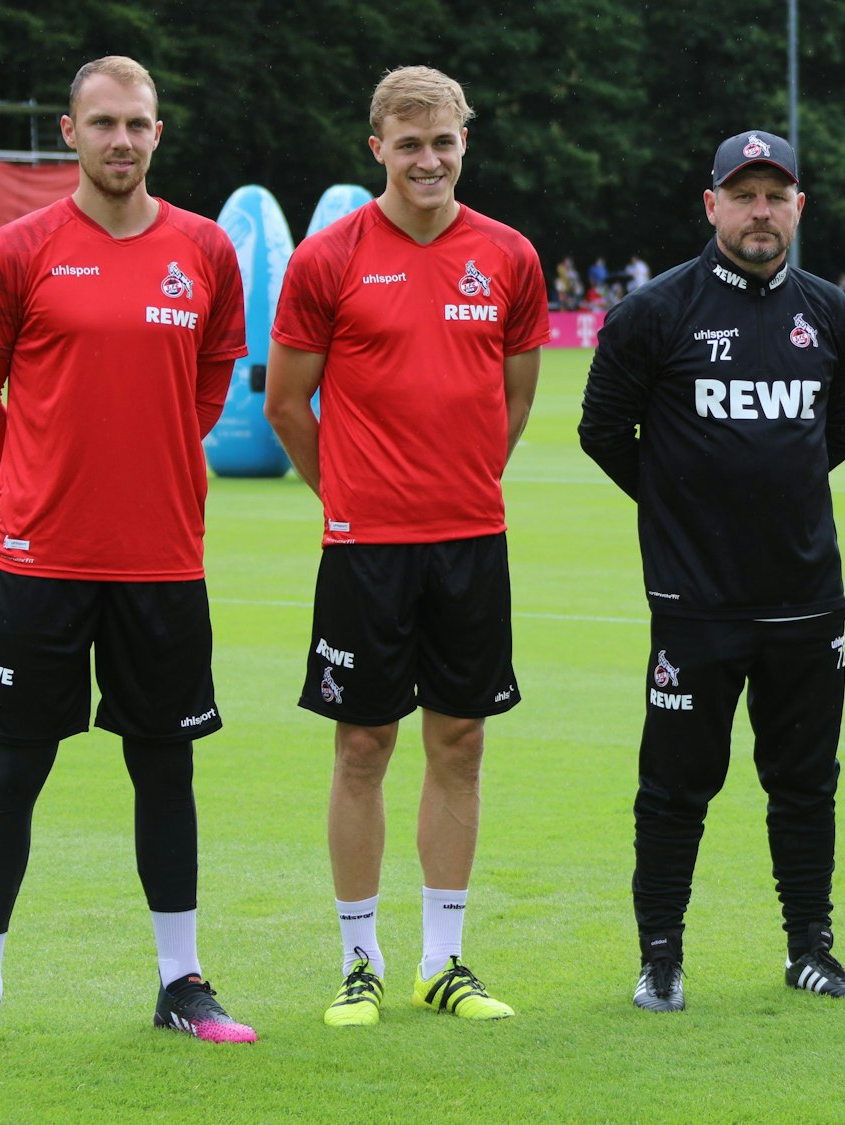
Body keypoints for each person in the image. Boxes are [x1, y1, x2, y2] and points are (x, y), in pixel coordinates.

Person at [0, 54, 255, 1065]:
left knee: (165, 769)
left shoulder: (205, 251)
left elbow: (209, 383)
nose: (122, 139)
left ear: (159, 132)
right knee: (13, 770)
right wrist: (33, 487)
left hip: (162, 561)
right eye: (103, 122)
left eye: (138, 123)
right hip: (40, 564)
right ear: (69, 132)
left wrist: (150, 472)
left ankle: (181, 981)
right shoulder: (18, 251)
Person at [265, 65, 549, 1028]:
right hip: (366, 547)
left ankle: (443, 960)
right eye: (410, 143)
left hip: (471, 540)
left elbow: (514, 397)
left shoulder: (508, 255)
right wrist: (350, 497)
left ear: (465, 143)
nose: (429, 160)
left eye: (444, 142)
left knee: (460, 742)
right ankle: (359, 962)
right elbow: (285, 402)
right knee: (363, 744)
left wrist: (462, 481)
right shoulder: (329, 257)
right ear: (377, 147)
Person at [580, 129, 845, 1012]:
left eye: (775, 196)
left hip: (805, 599)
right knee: (674, 789)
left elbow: (838, 434)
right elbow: (603, 431)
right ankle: (661, 957)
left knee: (806, 784)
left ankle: (810, 949)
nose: (760, 211)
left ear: (799, 207)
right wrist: (679, 504)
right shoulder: (654, 312)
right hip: (695, 603)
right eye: (743, 195)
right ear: (712, 205)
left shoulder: (831, 315)